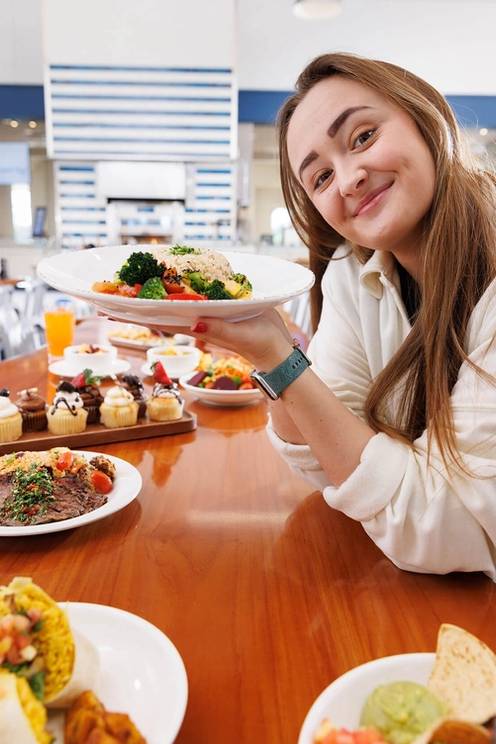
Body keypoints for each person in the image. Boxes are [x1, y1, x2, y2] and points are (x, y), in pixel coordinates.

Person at [184, 53, 496, 578]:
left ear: (425, 118)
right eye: (321, 176)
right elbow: (319, 456)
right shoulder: (356, 270)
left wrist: (286, 364)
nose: (349, 178)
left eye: (363, 137)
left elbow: (457, 526)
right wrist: (271, 350)